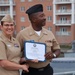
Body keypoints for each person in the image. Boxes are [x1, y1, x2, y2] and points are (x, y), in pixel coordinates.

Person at [16, 4, 60, 75]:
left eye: (44, 15)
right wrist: (24, 60)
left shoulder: (49, 33)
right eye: (41, 16)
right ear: (34, 19)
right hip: (30, 71)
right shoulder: (22, 34)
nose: (45, 18)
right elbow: (15, 53)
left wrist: (53, 55)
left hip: (47, 71)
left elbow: (57, 50)